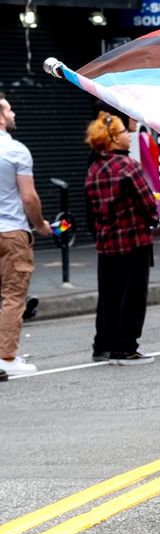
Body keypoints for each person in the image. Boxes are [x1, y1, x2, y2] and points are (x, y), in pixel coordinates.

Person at [84, 112, 158, 365]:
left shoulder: (94, 168)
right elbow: (148, 202)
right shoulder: (128, 166)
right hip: (133, 240)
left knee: (109, 295)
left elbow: (90, 209)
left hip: (106, 244)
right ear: (114, 138)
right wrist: (154, 218)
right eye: (124, 132)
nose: (129, 135)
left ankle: (103, 345)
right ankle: (126, 347)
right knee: (134, 295)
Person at [0, 92, 51, 378]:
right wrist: (41, 225)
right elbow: (29, 197)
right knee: (13, 296)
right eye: (9, 110)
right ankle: (6, 357)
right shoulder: (16, 150)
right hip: (11, 232)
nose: (14, 114)